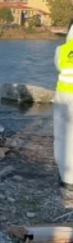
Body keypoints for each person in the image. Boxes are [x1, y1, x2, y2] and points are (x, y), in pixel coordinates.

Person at [54, 21, 73, 205]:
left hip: (63, 95)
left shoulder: (61, 49)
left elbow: (59, 68)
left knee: (61, 136)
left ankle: (65, 178)